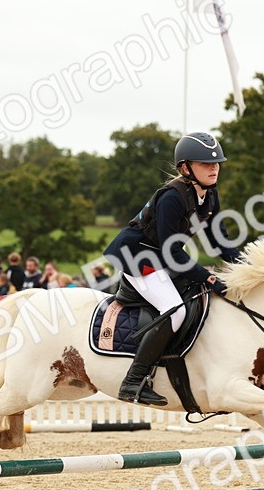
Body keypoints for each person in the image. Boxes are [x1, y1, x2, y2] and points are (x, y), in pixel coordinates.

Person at [103, 131, 241, 405]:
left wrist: (247, 268)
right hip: (138, 257)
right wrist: (209, 277)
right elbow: (171, 250)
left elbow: (220, 240)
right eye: (205, 164)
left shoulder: (209, 195)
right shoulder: (172, 197)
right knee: (175, 311)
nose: (214, 168)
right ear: (185, 167)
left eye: (216, 163)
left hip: (163, 258)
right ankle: (133, 382)